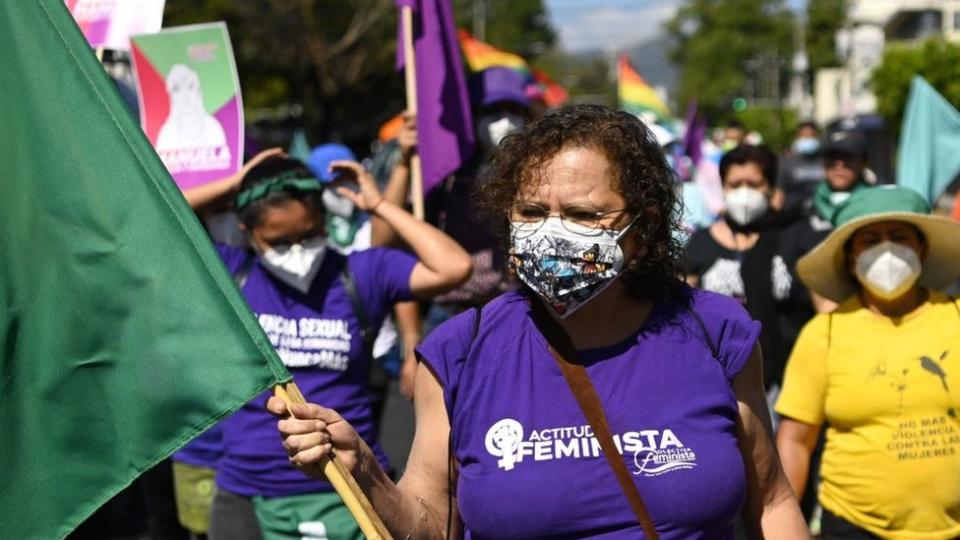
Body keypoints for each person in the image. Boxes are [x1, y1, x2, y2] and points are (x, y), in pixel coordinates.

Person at [270, 105, 807, 538]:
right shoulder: (460, 351)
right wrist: (363, 470)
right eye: (530, 212)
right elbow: (429, 527)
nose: (550, 233)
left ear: (641, 230)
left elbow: (773, 502)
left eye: (581, 215)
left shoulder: (715, 333)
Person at [184, 154, 472, 540]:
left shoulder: (361, 273)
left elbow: (454, 267)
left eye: (308, 234)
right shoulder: (231, 273)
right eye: (279, 242)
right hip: (249, 492)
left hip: (354, 483)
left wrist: (381, 206)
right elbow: (155, 219)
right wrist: (238, 182)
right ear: (246, 231)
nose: (298, 252)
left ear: (323, 221)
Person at [776, 186, 960, 539]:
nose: (886, 249)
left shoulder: (954, 316)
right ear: (849, 256)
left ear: (922, 247)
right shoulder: (824, 334)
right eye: (870, 240)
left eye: (900, 237)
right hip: (854, 527)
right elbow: (795, 441)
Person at [685, 144, 822, 396]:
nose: (744, 193)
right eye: (735, 185)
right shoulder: (701, 243)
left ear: (770, 187)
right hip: (719, 379)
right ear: (723, 187)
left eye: (754, 184)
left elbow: (823, 308)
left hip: (789, 378)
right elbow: (681, 312)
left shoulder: (796, 234)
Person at [776, 121, 826, 214]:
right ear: (798, 136)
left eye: (811, 136)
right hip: (793, 213)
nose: (807, 139)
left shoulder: (826, 161)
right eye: (804, 136)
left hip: (820, 212)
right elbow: (779, 191)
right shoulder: (786, 162)